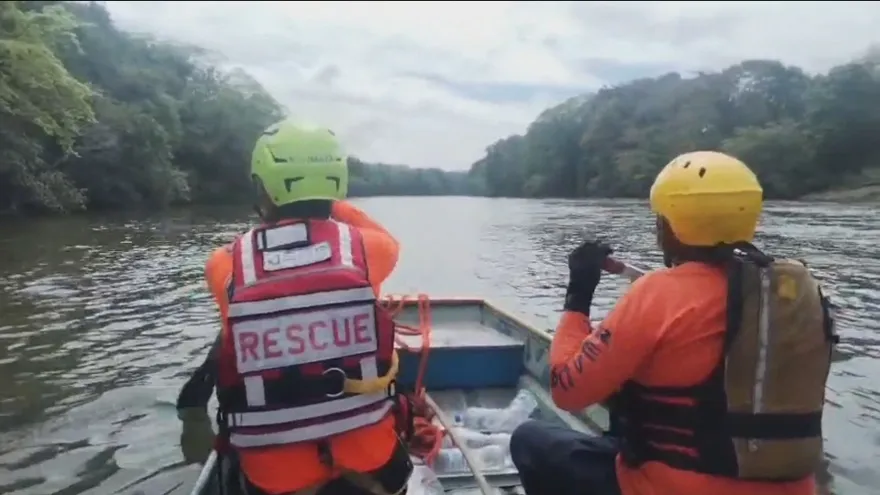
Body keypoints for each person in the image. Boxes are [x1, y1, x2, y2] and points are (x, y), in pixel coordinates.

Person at [509, 151, 837, 495]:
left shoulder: (659, 293)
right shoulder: (797, 292)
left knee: (530, 440)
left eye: (660, 219)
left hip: (672, 488)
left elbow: (567, 391)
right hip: (793, 488)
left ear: (670, 227)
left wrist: (578, 295)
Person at [182, 120, 412, 495]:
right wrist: (331, 202)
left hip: (274, 480)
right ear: (338, 183)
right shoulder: (369, 250)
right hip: (370, 467)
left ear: (264, 188)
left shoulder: (224, 266)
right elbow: (386, 240)